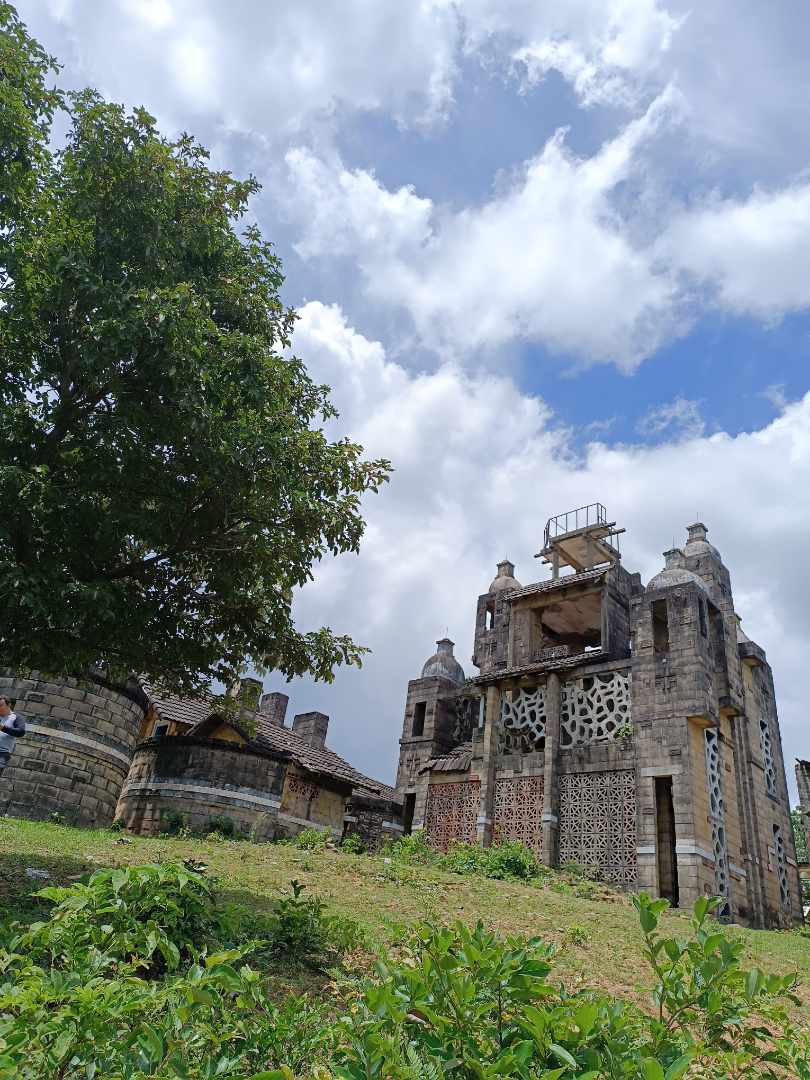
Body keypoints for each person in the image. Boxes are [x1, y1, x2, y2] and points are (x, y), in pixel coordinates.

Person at [0, 695, 25, 775]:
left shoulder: (16, 717)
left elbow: (21, 732)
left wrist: (3, 728)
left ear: (9, 705)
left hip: (2, 753)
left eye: (0, 705)